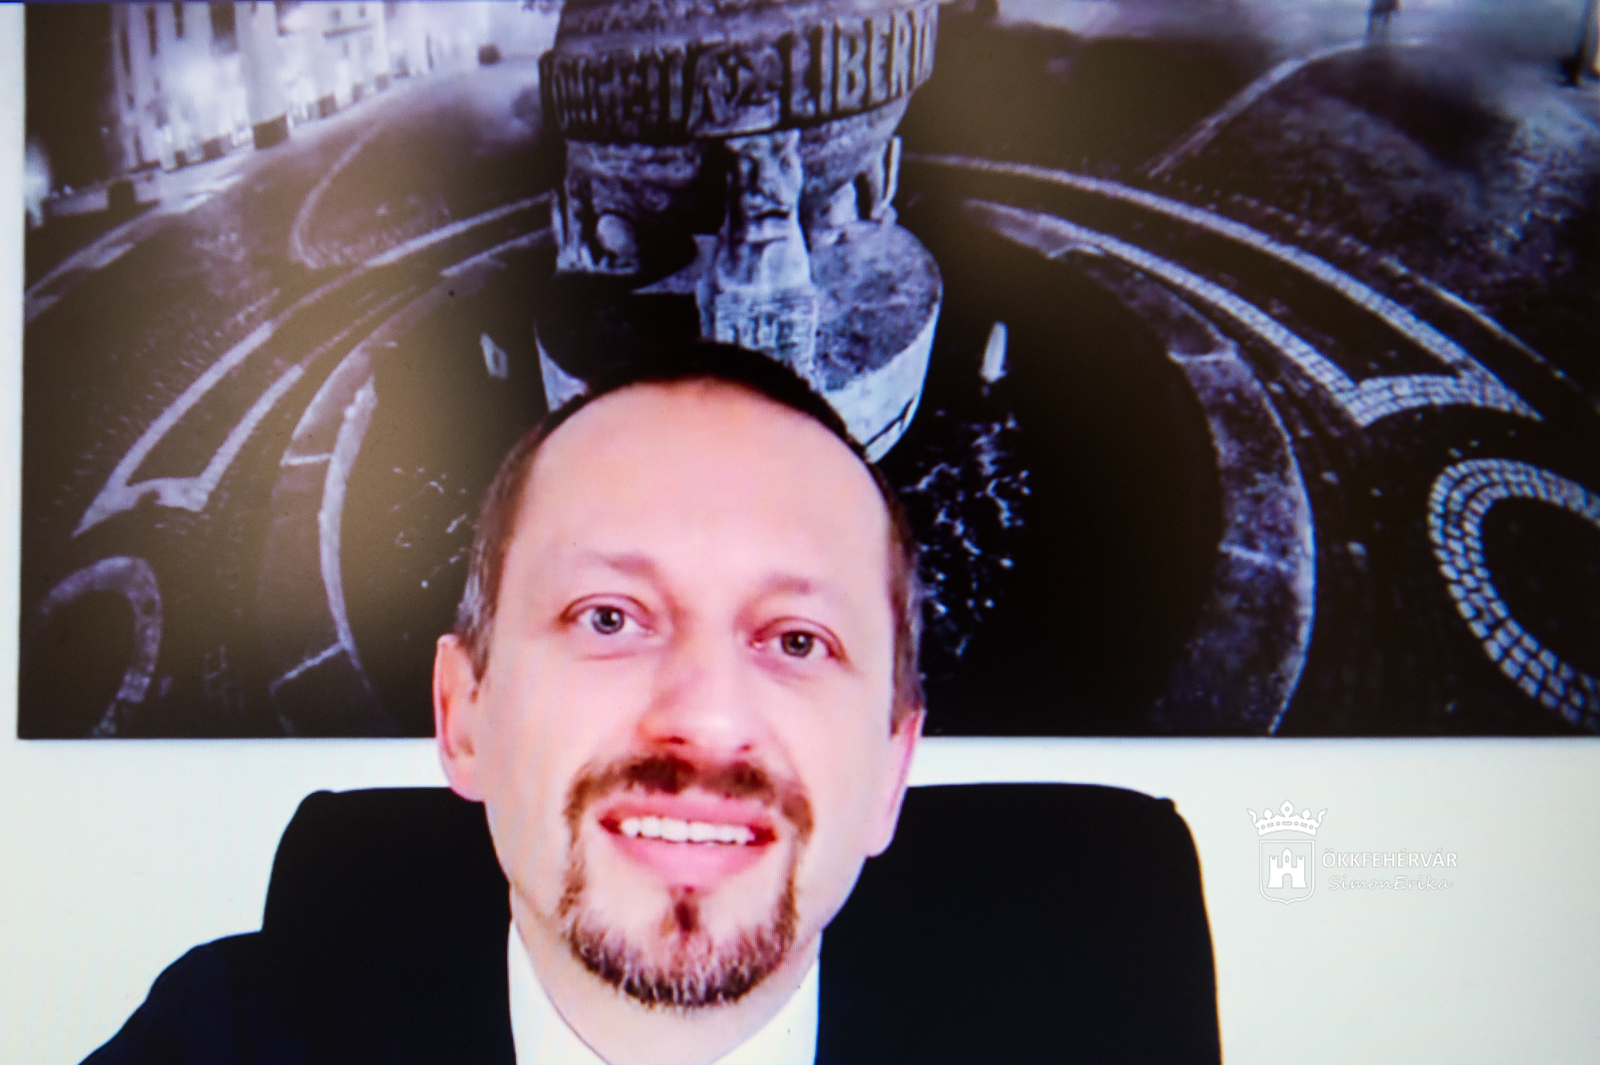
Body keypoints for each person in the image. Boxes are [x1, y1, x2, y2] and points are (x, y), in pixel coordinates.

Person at [85, 343, 1219, 1064]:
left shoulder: (1087, 1034)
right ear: (463, 714)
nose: (705, 718)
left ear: (892, 769)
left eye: (796, 639)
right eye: (609, 617)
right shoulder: (236, 1031)